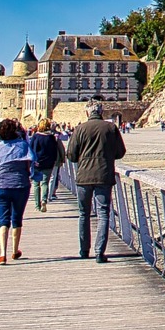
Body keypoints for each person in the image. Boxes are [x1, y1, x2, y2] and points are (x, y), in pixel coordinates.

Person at [65, 102, 125, 263]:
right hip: (104, 175)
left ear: (87, 113)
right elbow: (120, 152)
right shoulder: (111, 128)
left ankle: (84, 250)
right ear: (102, 112)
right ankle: (99, 252)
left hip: (83, 176)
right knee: (103, 213)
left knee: (84, 213)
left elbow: (70, 155)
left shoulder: (79, 129)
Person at [0, 119, 32, 264]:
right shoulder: (23, 145)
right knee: (17, 218)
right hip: (20, 185)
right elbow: (30, 164)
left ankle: (2, 254)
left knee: (3, 220)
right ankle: (14, 250)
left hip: (1, 186)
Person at [27, 121, 59, 212]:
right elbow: (54, 151)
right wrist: (53, 161)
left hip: (37, 163)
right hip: (48, 163)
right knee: (45, 183)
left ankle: (37, 205)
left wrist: (32, 161)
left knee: (36, 184)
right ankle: (44, 200)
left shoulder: (36, 136)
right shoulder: (51, 137)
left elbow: (31, 149)